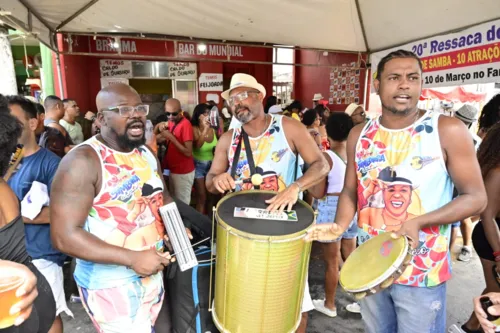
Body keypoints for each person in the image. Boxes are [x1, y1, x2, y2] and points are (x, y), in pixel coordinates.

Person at [306, 49, 487, 333]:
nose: (404, 84)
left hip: (421, 272)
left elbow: (477, 198)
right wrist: (340, 225)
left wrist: (419, 221)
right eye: (394, 77)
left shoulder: (446, 129)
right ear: (377, 85)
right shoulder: (359, 134)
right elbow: (351, 190)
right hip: (371, 266)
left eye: (412, 77)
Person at [49, 84, 180, 333]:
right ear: (101, 118)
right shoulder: (83, 161)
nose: (136, 115)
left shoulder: (145, 153)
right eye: (123, 109)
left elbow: (165, 197)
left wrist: (176, 231)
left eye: (140, 108)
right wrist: (132, 259)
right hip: (111, 286)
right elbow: (63, 236)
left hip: (153, 273)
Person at [206, 73, 329, 332]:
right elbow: (210, 180)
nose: (237, 103)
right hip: (241, 237)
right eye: (232, 99)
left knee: (294, 308)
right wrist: (218, 180)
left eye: (244, 95)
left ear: (260, 96)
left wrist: (295, 188)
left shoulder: (288, 128)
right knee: (242, 306)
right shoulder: (229, 140)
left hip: (285, 235)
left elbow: (321, 164)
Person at [6, 96, 72, 333]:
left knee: (48, 314)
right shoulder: (7, 162)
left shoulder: (52, 164)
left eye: (12, 120)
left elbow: (61, 213)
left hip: (41, 256)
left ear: (33, 124)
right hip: (9, 256)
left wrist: (11, 215)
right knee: (17, 316)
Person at [0, 102, 56, 333]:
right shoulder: (4, 184)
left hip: (15, 304)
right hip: (32, 290)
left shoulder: (51, 162)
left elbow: (60, 214)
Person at [308, 112, 359, 317]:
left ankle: (330, 305)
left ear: (327, 132)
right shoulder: (356, 154)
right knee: (353, 258)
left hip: (330, 207)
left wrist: (306, 186)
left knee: (332, 261)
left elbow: (319, 192)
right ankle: (360, 302)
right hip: (352, 206)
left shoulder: (327, 157)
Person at [453, 122, 500, 333]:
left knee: (495, 290)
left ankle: (470, 327)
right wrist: (499, 255)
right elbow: (487, 216)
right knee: (496, 292)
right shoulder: (497, 172)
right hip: (491, 238)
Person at [450, 104, 481, 263]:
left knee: (459, 219)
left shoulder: (473, 141)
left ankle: (465, 247)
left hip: (462, 186)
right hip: (453, 184)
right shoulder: (449, 134)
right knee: (455, 220)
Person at [155, 99, 195, 205]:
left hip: (183, 172)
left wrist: (171, 138)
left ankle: (185, 222)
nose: (170, 117)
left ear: (180, 111)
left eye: (174, 114)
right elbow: (155, 139)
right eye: (167, 114)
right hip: (173, 170)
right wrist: (159, 126)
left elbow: (188, 152)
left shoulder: (185, 125)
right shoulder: (171, 122)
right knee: (174, 202)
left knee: (183, 204)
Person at [191, 103, 218, 214]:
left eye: (209, 113)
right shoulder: (194, 129)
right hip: (198, 165)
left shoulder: (214, 129)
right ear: (198, 116)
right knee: (202, 197)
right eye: (205, 113)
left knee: (212, 196)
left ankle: (210, 225)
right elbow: (197, 145)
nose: (208, 116)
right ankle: (199, 227)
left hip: (213, 165)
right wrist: (205, 129)